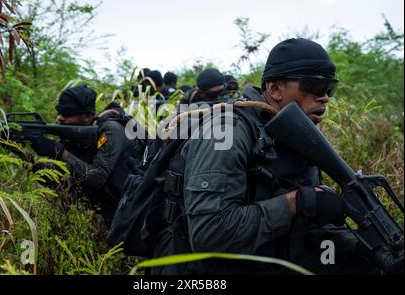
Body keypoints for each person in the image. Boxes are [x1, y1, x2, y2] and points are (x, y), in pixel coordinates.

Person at [152, 38, 386, 275]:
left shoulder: (293, 131)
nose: (324, 97)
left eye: (329, 89)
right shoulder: (227, 132)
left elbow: (304, 224)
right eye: (313, 86)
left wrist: (362, 246)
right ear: (274, 89)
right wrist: (297, 203)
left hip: (266, 253)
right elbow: (209, 234)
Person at [29, 85, 143, 226]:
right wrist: (27, 155)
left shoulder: (112, 131)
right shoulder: (80, 135)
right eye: (59, 113)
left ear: (86, 116)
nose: (60, 118)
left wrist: (59, 151)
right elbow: (63, 175)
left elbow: (97, 177)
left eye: (66, 114)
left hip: (138, 209)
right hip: (114, 207)